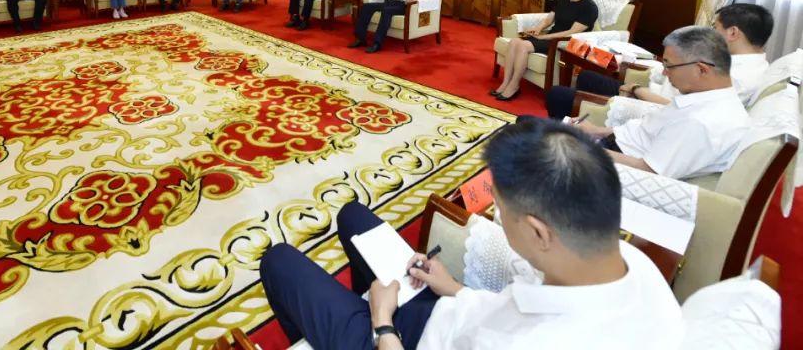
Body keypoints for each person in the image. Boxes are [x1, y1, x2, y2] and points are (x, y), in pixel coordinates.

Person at [259, 118, 683, 350]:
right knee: (353, 215)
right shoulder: (630, 263)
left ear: (538, 231)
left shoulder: (542, 341)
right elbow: (503, 308)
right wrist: (454, 288)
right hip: (443, 309)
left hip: (399, 339)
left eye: (500, 209)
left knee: (278, 260)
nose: (495, 214)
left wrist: (382, 323)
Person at [545, 2, 774, 119]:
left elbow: (683, 108)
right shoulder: (739, 61)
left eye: (716, 28)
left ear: (733, 33)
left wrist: (636, 90)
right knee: (587, 77)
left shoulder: (738, 77)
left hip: (652, 106)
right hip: (653, 92)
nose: (711, 32)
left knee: (557, 95)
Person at [574, 26, 749, 179]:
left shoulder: (700, 123)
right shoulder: (707, 97)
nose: (665, 73)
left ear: (701, 69)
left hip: (616, 164)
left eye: (668, 65)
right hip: (614, 144)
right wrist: (597, 131)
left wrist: (582, 148)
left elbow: (646, 170)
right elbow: (648, 130)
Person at [492, 0, 597, 101]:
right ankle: (505, 83)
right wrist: (538, 28)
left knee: (523, 46)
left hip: (564, 43)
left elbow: (571, 32)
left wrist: (543, 37)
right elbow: (549, 19)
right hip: (550, 37)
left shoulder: (589, 7)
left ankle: (514, 86)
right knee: (514, 42)